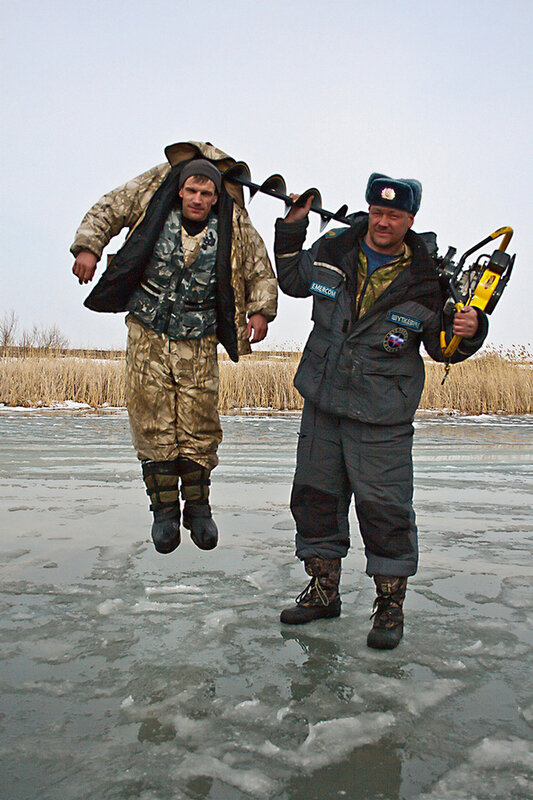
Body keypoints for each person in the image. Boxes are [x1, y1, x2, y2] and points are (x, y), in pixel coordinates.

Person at [274, 172, 487, 649]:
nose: (383, 222)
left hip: (382, 414)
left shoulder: (429, 278)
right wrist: (292, 228)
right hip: (324, 403)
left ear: (410, 219)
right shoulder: (336, 249)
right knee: (314, 500)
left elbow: (444, 347)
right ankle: (324, 590)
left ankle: (390, 606)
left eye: (394, 215)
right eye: (377, 212)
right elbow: (290, 279)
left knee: (385, 511)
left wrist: (472, 328)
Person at [71, 141, 277, 554]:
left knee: (199, 420)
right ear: (181, 190)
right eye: (192, 191)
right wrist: (88, 247)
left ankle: (198, 508)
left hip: (199, 336)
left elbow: (258, 264)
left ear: (216, 197)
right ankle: (164, 513)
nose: (198, 199)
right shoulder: (154, 203)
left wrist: (261, 311)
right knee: (151, 416)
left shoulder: (233, 223)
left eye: (206, 193)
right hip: (148, 329)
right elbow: (110, 207)